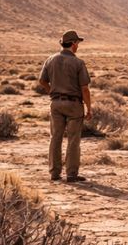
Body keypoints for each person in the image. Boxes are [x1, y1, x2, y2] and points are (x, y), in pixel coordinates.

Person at [36, 30, 92, 182]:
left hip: (56, 103)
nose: (78, 46)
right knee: (73, 139)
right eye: (78, 43)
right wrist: (89, 108)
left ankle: (54, 173)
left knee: (55, 138)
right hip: (74, 104)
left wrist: (52, 92)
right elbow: (84, 89)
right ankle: (72, 174)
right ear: (73, 44)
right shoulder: (78, 63)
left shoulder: (50, 60)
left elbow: (42, 81)